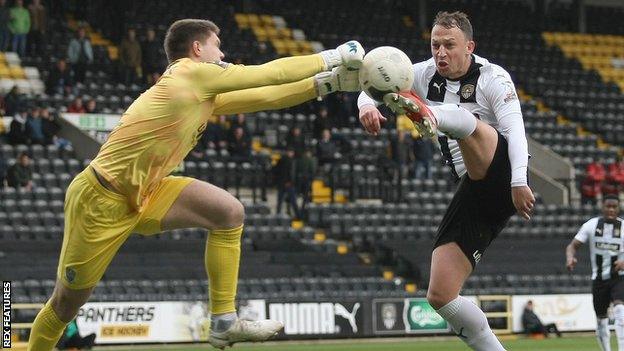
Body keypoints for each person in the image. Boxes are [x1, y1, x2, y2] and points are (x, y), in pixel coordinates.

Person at [27, 18, 364, 351]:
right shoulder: (190, 72)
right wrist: (333, 56)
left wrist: (325, 85)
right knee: (65, 305)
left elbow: (267, 96)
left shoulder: (201, 92)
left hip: (149, 191)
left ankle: (223, 323)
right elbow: (267, 73)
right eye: (217, 45)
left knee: (228, 212)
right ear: (197, 48)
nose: (223, 52)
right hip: (101, 200)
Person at [358, 11, 534, 351]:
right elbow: (373, 81)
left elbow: (516, 131)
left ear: (469, 46)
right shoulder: (423, 73)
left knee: (466, 120)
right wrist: (367, 104)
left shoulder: (493, 77)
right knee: (440, 295)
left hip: (501, 170)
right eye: (435, 44)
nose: (441, 52)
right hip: (474, 188)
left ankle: (430, 114)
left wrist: (519, 181)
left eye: (449, 46)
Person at [566, 195, 624, 351]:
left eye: (614, 207)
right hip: (599, 280)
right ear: (602, 207)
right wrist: (570, 258)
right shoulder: (591, 225)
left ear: (618, 208)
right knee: (601, 320)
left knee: (620, 312)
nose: (611, 209)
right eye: (608, 206)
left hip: (619, 278)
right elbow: (572, 246)